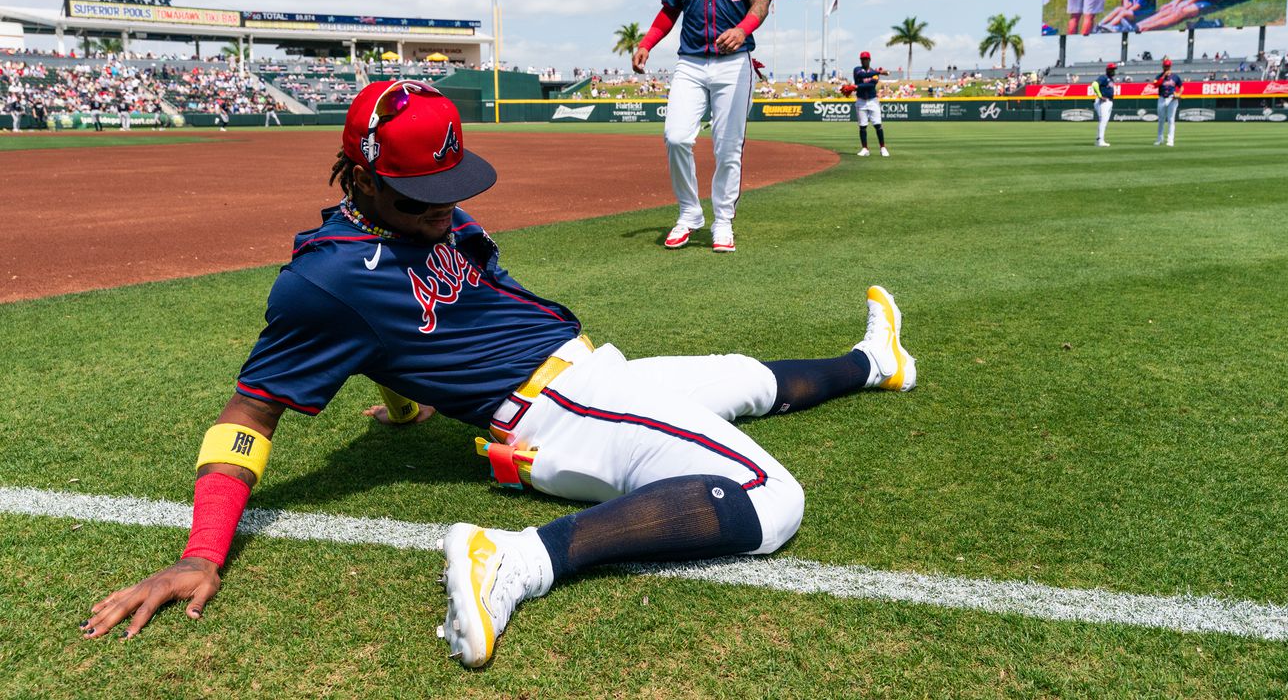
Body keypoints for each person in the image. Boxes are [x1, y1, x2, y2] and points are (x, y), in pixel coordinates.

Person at [78, 80, 919, 669]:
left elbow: (401, 330)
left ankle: (877, 360)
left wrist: (404, 405)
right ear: (363, 178)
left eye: (450, 186)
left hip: (592, 375)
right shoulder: (323, 281)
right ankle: (515, 560)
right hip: (561, 412)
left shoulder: (417, 213)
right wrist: (200, 554)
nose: (444, 208)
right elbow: (248, 416)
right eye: (422, 197)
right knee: (773, 499)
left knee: (743, 376)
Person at [632, 0, 772, 253]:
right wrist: (647, 43)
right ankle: (690, 213)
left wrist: (743, 29)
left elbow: (762, 2)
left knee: (728, 148)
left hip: (734, 62)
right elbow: (668, 11)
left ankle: (722, 221)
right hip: (691, 62)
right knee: (676, 137)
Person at [851, 51, 888, 157]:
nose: (864, 60)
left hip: (873, 100)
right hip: (861, 101)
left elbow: (871, 85)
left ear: (869, 60)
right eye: (862, 59)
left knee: (878, 125)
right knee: (862, 126)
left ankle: (882, 148)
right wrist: (879, 72)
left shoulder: (874, 72)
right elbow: (862, 75)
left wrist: (857, 86)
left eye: (866, 59)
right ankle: (865, 149)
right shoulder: (857, 69)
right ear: (860, 60)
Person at [1153, 58, 1182, 147]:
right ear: (1163, 66)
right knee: (1161, 120)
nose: (1167, 67)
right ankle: (1159, 139)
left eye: (1168, 66)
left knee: (1171, 119)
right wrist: (1163, 76)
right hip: (1162, 98)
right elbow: (1155, 85)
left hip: (1172, 99)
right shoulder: (1159, 76)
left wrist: (1179, 94)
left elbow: (1181, 86)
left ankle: (1170, 140)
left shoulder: (1175, 77)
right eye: (1165, 66)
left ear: (1170, 66)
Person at [1092, 62, 1116, 147]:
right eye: (1112, 69)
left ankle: (1098, 140)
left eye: (1114, 69)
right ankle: (1100, 140)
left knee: (1104, 121)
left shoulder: (1111, 79)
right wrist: (1100, 95)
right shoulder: (1104, 77)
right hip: (1103, 101)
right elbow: (1094, 84)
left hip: (1108, 102)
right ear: (1108, 70)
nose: (1113, 71)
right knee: (1103, 121)